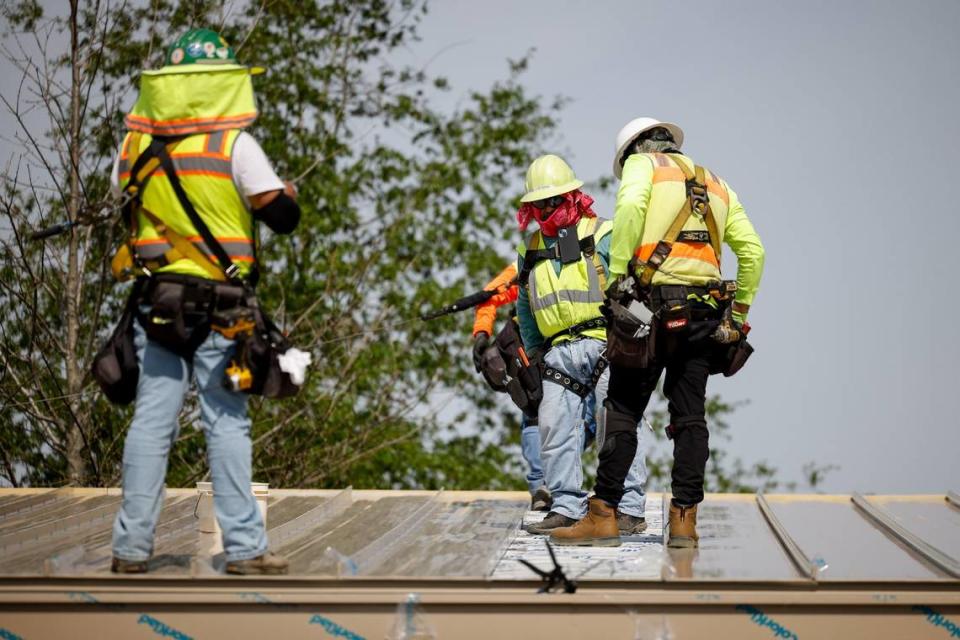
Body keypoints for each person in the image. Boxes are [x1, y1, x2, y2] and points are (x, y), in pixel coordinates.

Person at [109, 29, 300, 574]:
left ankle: (129, 550)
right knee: (226, 423)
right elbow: (281, 218)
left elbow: (127, 210)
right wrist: (285, 194)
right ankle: (244, 549)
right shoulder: (233, 146)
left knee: (151, 423)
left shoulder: (132, 149)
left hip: (157, 303)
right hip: (221, 309)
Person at [551, 118, 764, 548]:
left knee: (623, 410)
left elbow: (629, 211)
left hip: (651, 309)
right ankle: (684, 522)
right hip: (706, 312)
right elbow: (753, 252)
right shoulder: (718, 184)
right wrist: (737, 316)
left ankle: (604, 514)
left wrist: (617, 276)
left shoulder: (642, 166)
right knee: (690, 418)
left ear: (633, 149)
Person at [514, 155, 650, 540]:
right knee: (554, 428)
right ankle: (566, 507)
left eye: (553, 201)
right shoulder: (529, 249)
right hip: (557, 352)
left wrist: (634, 342)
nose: (546, 209)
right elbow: (525, 306)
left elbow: (631, 287)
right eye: (538, 204)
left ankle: (628, 507)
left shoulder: (602, 233)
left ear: (572, 196)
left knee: (618, 428)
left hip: (606, 345)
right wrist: (534, 353)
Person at [470, 263, 552, 511]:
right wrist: (482, 332)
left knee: (581, 416)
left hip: (570, 339)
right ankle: (542, 485)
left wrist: (482, 333)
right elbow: (490, 295)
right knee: (533, 411)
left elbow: (489, 295)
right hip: (530, 339)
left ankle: (551, 481)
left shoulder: (532, 254)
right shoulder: (530, 256)